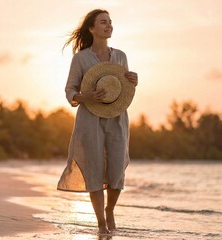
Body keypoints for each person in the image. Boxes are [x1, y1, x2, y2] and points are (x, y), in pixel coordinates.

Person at [57, 9, 138, 235]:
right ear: (92, 28)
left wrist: (135, 79)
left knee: (116, 172)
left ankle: (110, 209)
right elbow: (70, 91)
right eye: (103, 22)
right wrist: (86, 97)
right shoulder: (81, 58)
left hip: (117, 117)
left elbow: (124, 87)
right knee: (94, 169)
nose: (109, 25)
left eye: (110, 22)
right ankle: (101, 222)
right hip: (89, 119)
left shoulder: (120, 55)